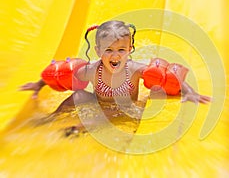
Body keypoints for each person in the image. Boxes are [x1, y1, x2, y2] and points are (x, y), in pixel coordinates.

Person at [20, 20, 211, 135]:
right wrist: (39, 84)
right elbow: (60, 74)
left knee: (120, 111)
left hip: (126, 108)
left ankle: (82, 128)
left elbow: (166, 76)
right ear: (98, 51)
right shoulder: (92, 69)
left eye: (121, 50)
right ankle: (51, 119)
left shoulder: (135, 69)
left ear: (129, 50)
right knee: (78, 96)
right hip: (98, 102)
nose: (115, 55)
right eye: (108, 50)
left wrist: (190, 92)